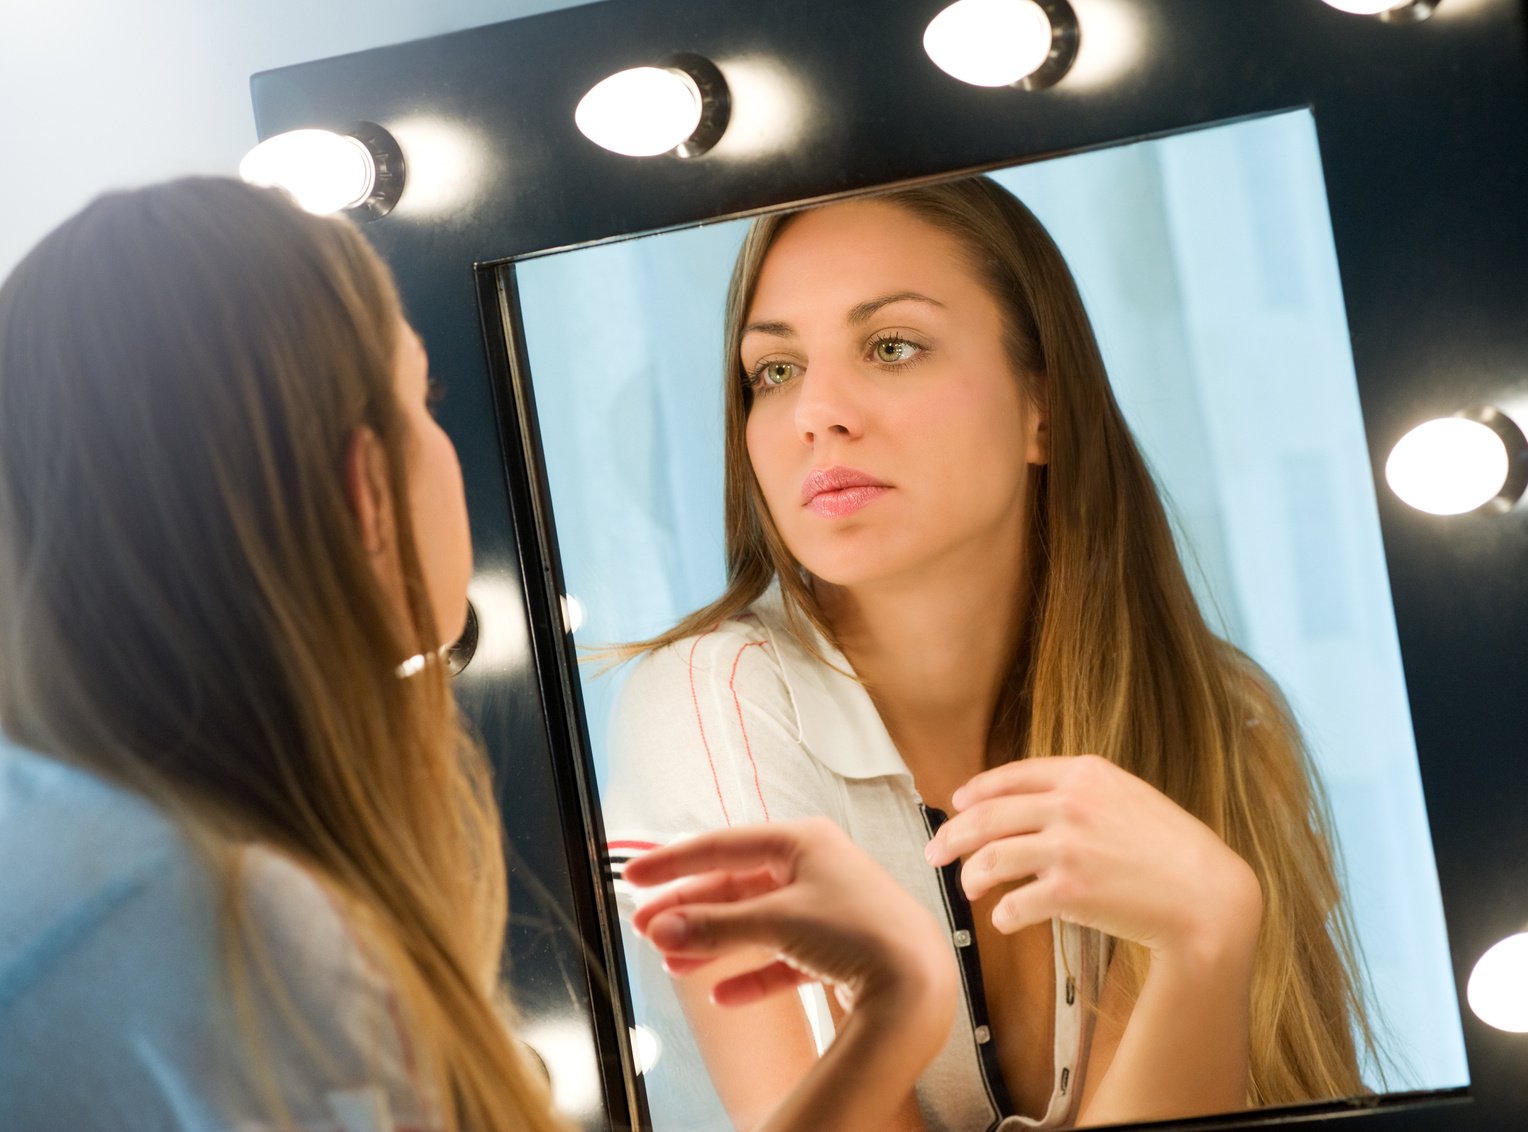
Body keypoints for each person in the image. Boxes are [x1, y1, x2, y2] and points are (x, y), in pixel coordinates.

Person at [0, 178, 940, 1132]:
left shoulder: (93, 884)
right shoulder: (246, 946)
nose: (823, 416)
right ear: (365, 487)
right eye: (425, 396)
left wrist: (893, 1014)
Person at [607, 176, 1376, 1131]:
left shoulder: (1222, 718)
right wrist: (1207, 937)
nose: (819, 413)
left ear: (1042, 407)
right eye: (775, 371)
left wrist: (1203, 945)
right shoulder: (710, 706)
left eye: (891, 347)